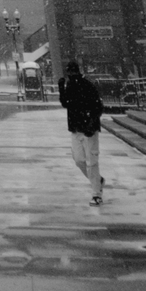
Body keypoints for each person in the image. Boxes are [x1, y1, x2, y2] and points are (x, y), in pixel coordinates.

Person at [57, 59, 105, 205]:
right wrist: (61, 89)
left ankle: (96, 193)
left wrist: (92, 122)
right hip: (76, 128)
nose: (71, 74)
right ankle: (97, 180)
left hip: (88, 128)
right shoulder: (71, 85)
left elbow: (98, 106)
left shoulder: (87, 86)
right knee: (79, 160)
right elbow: (66, 103)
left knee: (92, 162)